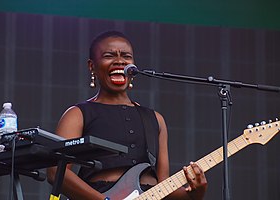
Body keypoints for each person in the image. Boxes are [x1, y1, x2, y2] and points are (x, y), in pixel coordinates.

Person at [47, 31, 207, 200]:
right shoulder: (77, 114)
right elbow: (56, 173)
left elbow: (163, 187)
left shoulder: (155, 119)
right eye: (109, 55)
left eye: (126, 56)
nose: (120, 61)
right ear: (91, 66)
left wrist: (195, 194)